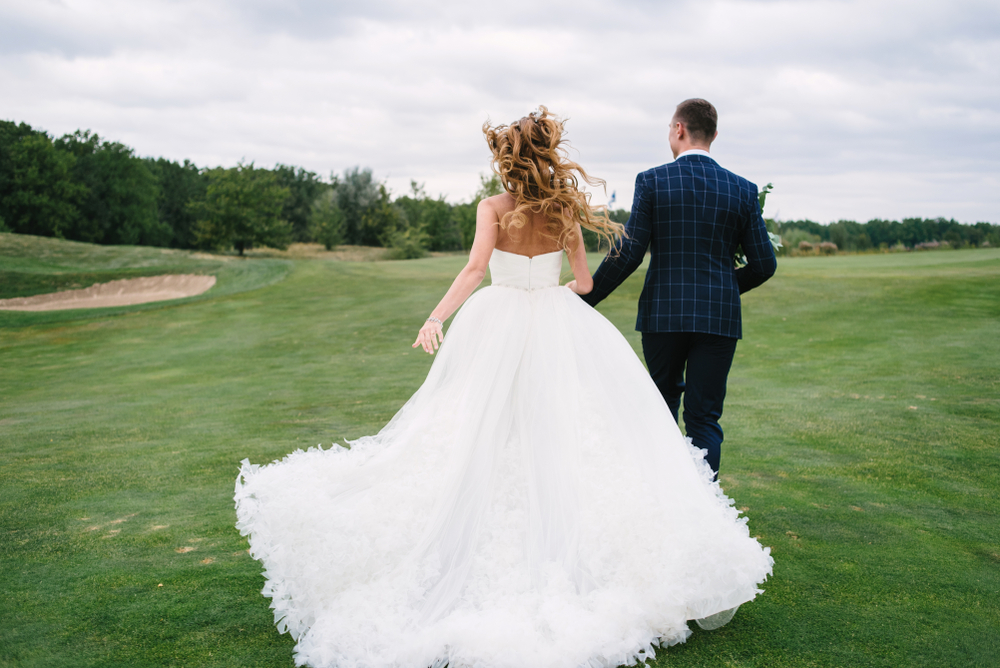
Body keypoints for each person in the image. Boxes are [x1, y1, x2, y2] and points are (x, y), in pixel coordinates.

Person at [235, 107, 773, 668]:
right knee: (578, 426)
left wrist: (436, 317)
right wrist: (556, 289)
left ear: (506, 160)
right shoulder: (567, 210)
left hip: (495, 323)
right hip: (561, 322)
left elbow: (473, 271)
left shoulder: (491, 207)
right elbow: (586, 282)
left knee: (475, 423)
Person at [578, 98, 777, 477]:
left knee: (662, 406)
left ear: (678, 129)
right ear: (714, 135)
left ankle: (665, 503)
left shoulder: (653, 181)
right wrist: (724, 289)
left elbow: (630, 252)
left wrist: (587, 296)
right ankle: (707, 506)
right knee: (704, 417)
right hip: (718, 319)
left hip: (663, 315)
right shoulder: (743, 190)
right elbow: (765, 264)